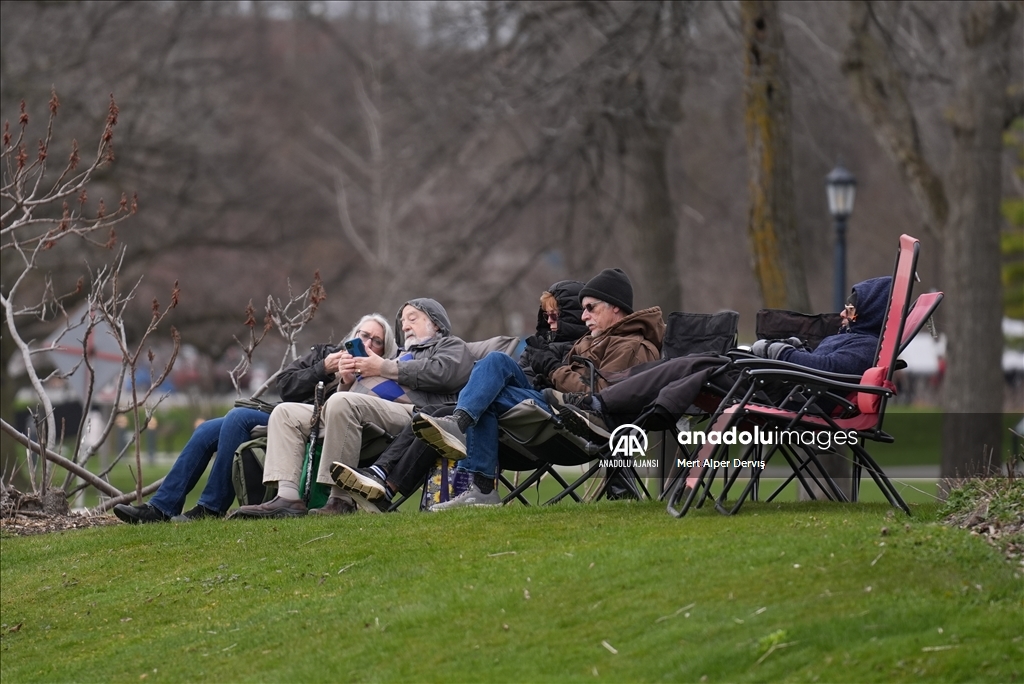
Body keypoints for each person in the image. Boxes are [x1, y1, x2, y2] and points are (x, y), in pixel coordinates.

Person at [409, 268, 665, 510]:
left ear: (615, 306)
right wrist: (544, 373)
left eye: (590, 308)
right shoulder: (592, 340)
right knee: (494, 363)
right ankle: (463, 433)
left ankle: (478, 475)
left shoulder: (631, 346)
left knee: (486, 393)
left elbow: (599, 395)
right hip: (554, 403)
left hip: (579, 421)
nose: (583, 315)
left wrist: (553, 369)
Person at [111, 314, 397, 524]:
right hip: (286, 414)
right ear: (352, 335)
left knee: (236, 418)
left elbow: (354, 411)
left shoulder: (376, 375)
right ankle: (160, 508)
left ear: (385, 351)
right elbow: (285, 386)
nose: (367, 342)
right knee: (208, 430)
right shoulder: (326, 354)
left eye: (376, 341)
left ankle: (211, 508)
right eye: (363, 334)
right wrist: (323, 368)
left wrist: (349, 381)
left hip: (312, 425)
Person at [330, 280, 589, 507]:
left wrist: (549, 364)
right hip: (507, 412)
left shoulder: (587, 347)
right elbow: (522, 376)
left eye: (556, 316)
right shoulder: (538, 347)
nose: (550, 321)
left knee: (494, 363)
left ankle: (458, 423)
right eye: (547, 316)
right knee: (432, 415)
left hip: (547, 416)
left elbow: (583, 390)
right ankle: (386, 483)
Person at [544, 276, 893, 440]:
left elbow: (826, 369)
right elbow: (817, 360)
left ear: (872, 312)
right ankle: (620, 408)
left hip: (801, 400)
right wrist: (789, 349)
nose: (844, 314)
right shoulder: (852, 338)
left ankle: (606, 406)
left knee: (703, 363)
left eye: (852, 308)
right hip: (790, 389)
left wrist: (774, 351)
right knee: (700, 365)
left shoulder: (864, 347)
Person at [230, 298, 475, 519]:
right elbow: (348, 402)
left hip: (415, 413)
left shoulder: (451, 346)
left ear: (437, 324)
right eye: (402, 321)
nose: (405, 325)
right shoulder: (398, 356)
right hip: (363, 411)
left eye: (413, 319)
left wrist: (383, 368)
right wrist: (346, 382)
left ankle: (339, 498)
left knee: (341, 403)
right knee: (286, 413)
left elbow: (444, 374)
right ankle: (287, 497)